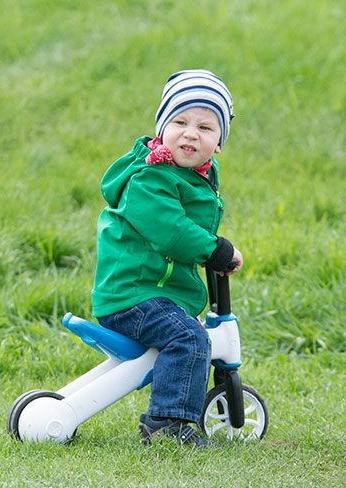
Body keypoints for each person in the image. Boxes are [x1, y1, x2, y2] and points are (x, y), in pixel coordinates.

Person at [92, 70, 242, 448]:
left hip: (150, 292)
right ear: (161, 128)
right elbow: (171, 230)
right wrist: (216, 249)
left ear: (219, 144)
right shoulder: (151, 177)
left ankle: (174, 414)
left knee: (183, 332)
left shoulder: (196, 174)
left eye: (206, 128)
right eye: (180, 122)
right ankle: (168, 424)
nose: (191, 133)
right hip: (134, 294)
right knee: (188, 337)